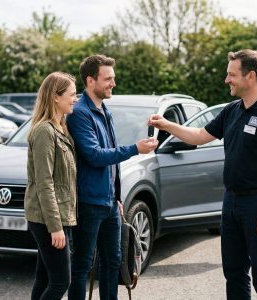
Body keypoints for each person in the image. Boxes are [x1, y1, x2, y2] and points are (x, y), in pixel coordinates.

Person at [149, 49, 257, 300]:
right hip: (231, 202)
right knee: (234, 272)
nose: (227, 80)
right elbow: (200, 136)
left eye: (231, 74)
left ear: (250, 76)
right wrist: (166, 125)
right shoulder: (232, 110)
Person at [66, 54, 158, 300]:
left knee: (114, 261)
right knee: (83, 264)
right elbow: (95, 156)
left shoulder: (105, 110)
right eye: (107, 79)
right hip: (88, 202)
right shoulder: (80, 113)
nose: (113, 84)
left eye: (113, 78)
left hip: (109, 203)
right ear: (90, 80)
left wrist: (117, 196)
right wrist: (135, 149)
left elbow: (112, 162)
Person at [24, 72, 78, 300]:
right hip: (47, 219)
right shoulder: (45, 131)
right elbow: (44, 183)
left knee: (45, 278)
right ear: (56, 97)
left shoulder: (61, 128)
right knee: (61, 282)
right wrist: (55, 227)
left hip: (58, 215)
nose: (76, 99)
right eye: (72, 94)